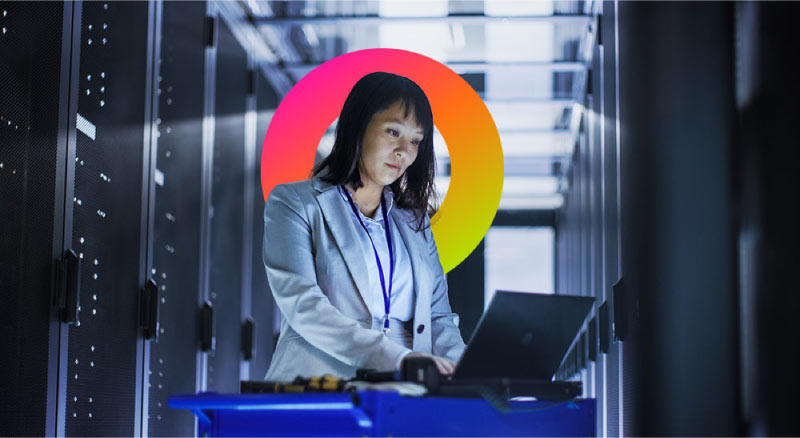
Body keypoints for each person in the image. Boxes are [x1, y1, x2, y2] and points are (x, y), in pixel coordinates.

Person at [262, 71, 466, 382]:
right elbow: (303, 304)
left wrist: (470, 370)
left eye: (415, 140)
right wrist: (398, 358)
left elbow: (438, 317)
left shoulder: (414, 222)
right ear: (358, 127)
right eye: (393, 132)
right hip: (321, 386)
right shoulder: (294, 203)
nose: (404, 152)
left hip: (405, 393)